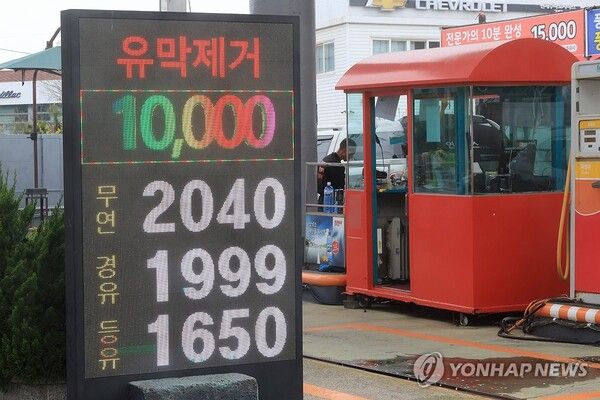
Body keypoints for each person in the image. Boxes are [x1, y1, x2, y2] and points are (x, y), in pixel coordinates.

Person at [317, 138, 356, 203]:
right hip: (331, 202)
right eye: (351, 154)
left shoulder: (327, 159)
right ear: (344, 150)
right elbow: (340, 188)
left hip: (323, 200)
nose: (351, 157)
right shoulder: (337, 166)